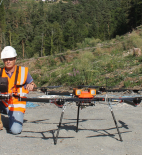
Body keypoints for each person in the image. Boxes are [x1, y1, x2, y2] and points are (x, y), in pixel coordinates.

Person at [0, 46, 36, 134]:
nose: (8, 61)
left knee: (15, 131)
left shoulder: (23, 71)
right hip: (3, 103)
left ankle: (15, 117)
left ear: (15, 59)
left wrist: (31, 86)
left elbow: (34, 85)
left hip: (16, 104)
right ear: (3, 60)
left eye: (10, 59)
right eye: (6, 59)